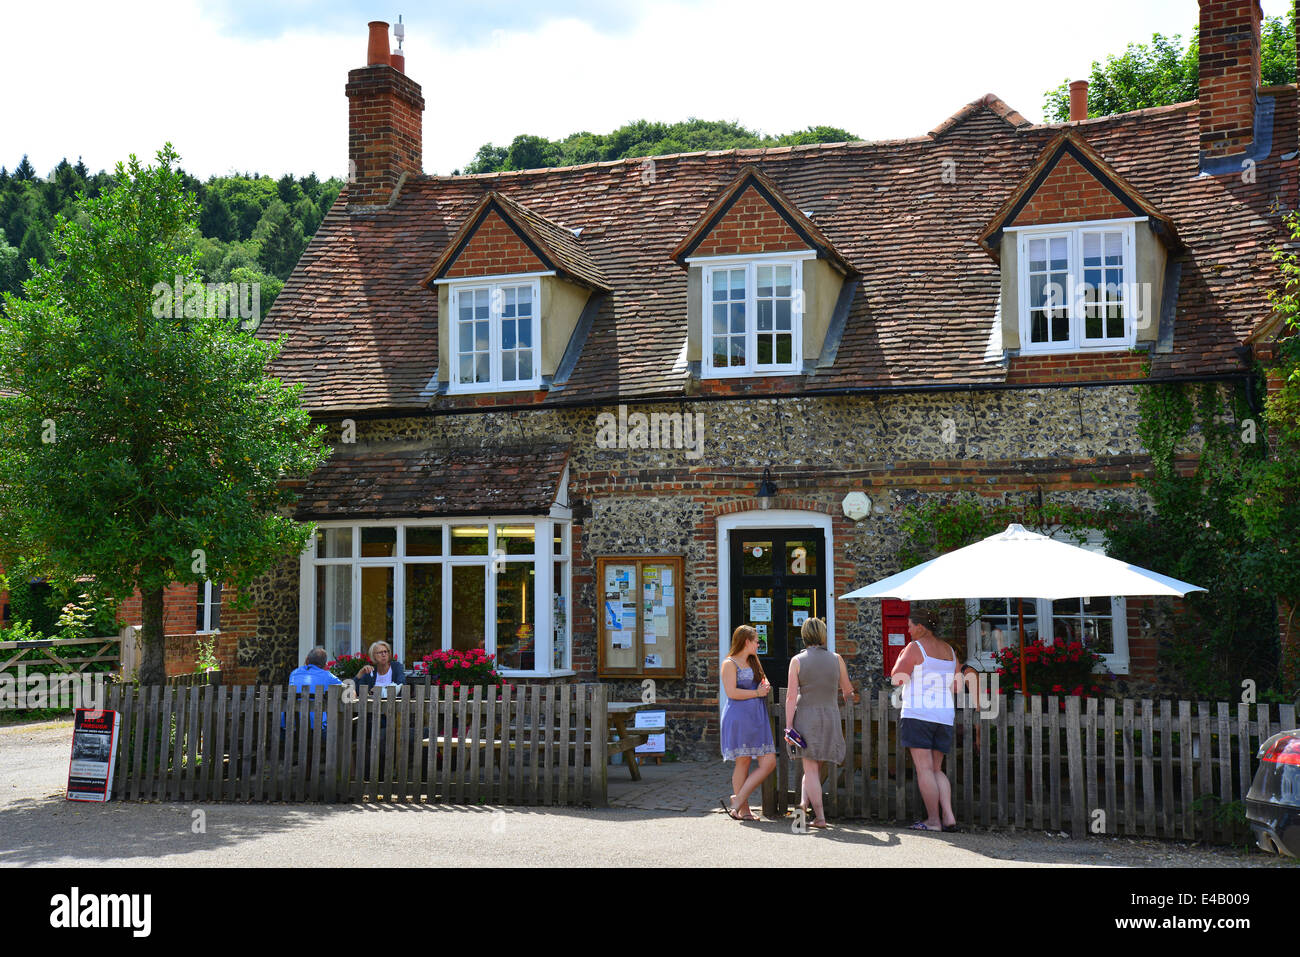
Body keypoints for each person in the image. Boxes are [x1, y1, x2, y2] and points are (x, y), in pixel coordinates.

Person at [890, 607, 961, 832]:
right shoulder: (949, 650)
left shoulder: (914, 647)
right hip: (944, 715)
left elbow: (896, 679)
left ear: (920, 627)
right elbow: (957, 686)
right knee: (937, 769)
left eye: (910, 626)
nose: (908, 631)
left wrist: (902, 656)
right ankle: (949, 817)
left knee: (924, 769)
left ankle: (933, 821)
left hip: (919, 713)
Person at [785, 617, 857, 830]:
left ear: (804, 635)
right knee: (813, 768)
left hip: (807, 717)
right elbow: (848, 691)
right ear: (823, 635)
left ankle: (820, 817)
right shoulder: (837, 659)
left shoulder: (797, 661)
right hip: (830, 716)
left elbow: (790, 697)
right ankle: (802, 806)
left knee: (811, 768)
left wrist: (789, 726)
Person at [719, 624, 776, 821]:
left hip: (757, 716)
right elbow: (731, 692)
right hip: (739, 716)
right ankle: (744, 810)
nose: (758, 644)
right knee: (742, 761)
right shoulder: (729, 663)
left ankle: (738, 798)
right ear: (746, 642)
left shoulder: (754, 661)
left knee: (769, 762)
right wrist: (757, 693)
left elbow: (763, 680)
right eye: (756, 640)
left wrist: (765, 685)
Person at [285, 646, 342, 732]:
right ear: (325, 665)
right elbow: (347, 690)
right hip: (317, 729)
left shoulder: (294, 673)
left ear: (307, 660)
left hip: (292, 728)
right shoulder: (327, 676)